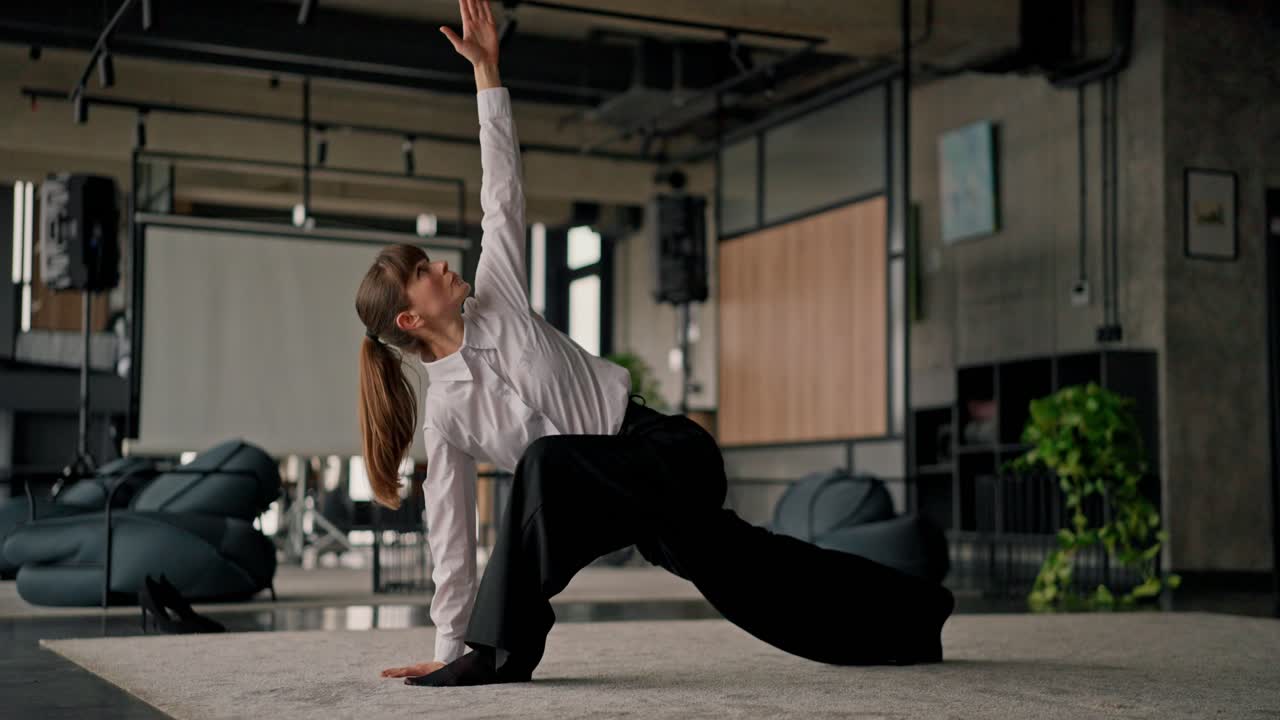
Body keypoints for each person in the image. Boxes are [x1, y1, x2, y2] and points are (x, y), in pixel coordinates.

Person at [358, 0, 955, 688]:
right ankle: (917, 615)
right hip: (617, 508)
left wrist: (488, 72)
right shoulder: (447, 416)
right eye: (425, 273)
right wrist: (446, 638)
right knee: (759, 582)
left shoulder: (503, 293)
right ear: (409, 319)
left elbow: (503, 190)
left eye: (431, 259)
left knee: (546, 464)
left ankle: (501, 652)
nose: (442, 267)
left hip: (662, 451)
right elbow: (452, 538)